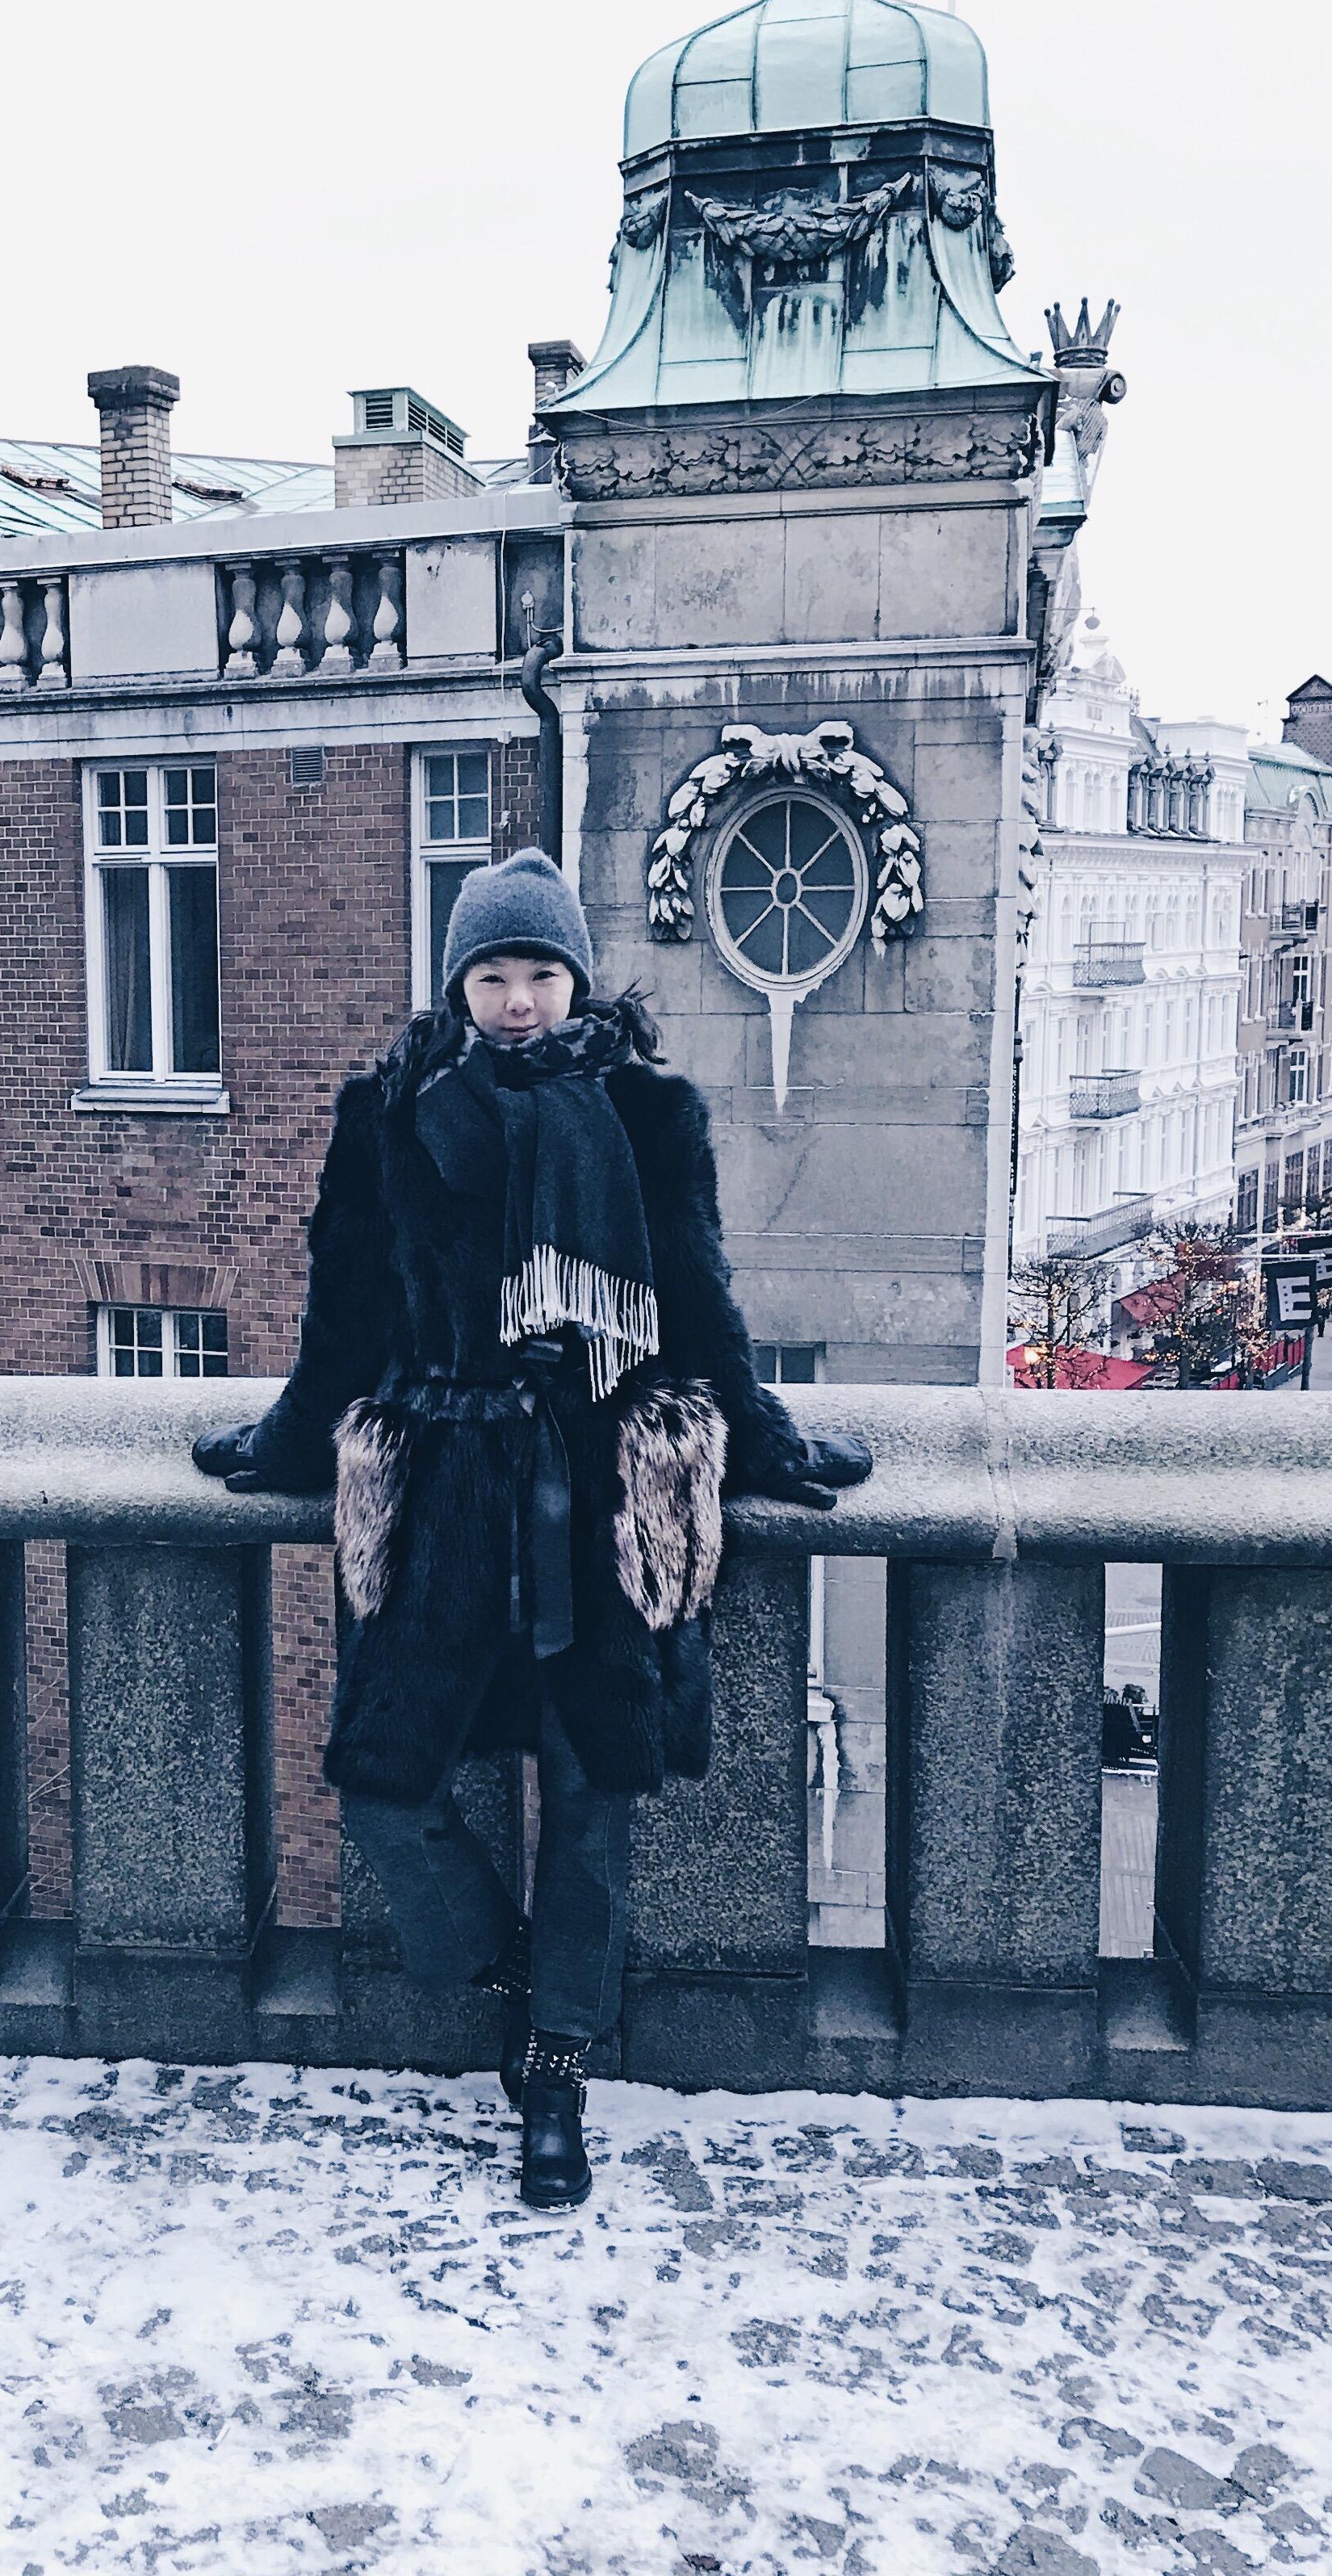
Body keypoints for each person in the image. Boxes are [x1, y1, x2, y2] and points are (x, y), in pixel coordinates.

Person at [195, 848, 869, 2209]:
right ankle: (510, 1975)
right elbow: (345, 1312)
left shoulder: (646, 1114)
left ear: (577, 979)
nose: (518, 1001)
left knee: (588, 1805)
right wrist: (284, 1441)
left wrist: (770, 1442)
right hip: (445, 1500)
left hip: (596, 1503)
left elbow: (699, 1305)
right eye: (494, 974)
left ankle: (557, 2069)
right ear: (458, 982)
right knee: (385, 1796)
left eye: (541, 974)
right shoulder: (391, 1111)